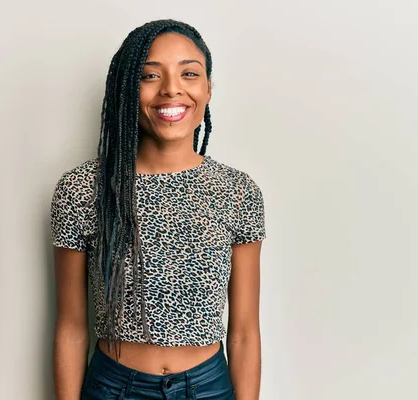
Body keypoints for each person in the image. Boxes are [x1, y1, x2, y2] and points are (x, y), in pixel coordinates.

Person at [50, 19, 266, 400]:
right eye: (150, 75)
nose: (172, 89)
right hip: (115, 387)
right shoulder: (82, 189)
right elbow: (70, 325)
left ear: (208, 88)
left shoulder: (238, 192)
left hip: (208, 387)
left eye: (189, 73)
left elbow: (245, 330)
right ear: (127, 89)